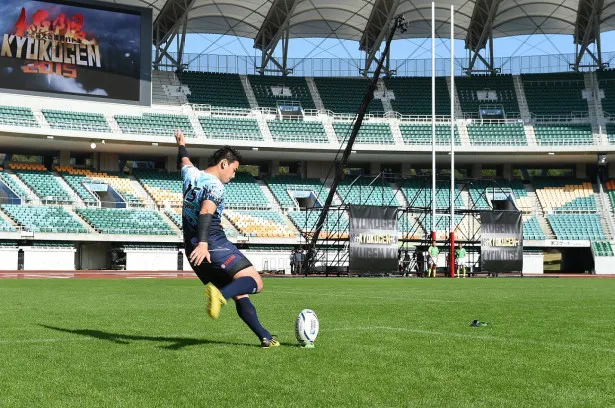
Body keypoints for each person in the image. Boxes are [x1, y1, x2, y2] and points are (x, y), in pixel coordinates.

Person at [175, 130, 279, 348]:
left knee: (240, 293)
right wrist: (204, 244)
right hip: (211, 243)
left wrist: (181, 144)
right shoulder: (215, 185)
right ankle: (220, 295)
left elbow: (184, 160)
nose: (233, 175)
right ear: (224, 164)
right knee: (256, 283)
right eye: (234, 169)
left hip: (191, 249)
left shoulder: (190, 174)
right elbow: (206, 211)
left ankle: (265, 336)